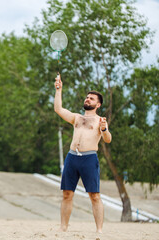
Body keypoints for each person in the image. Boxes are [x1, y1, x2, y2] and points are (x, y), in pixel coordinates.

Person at [54, 75, 112, 233]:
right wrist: (58, 90)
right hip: (72, 158)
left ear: (97, 104)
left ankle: (99, 230)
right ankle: (63, 227)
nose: (88, 99)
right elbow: (58, 109)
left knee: (95, 196)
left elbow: (107, 140)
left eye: (91, 98)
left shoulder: (100, 121)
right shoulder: (77, 118)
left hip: (89, 159)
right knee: (67, 194)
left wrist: (104, 128)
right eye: (87, 97)